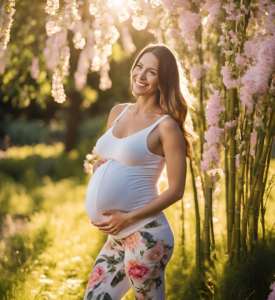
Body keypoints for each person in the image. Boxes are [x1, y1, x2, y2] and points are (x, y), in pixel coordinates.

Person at [84, 43, 196, 300]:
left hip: (146, 233)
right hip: (118, 237)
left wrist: (129, 218)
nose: (141, 76)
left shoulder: (166, 125)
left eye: (151, 72)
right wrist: (99, 168)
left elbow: (177, 190)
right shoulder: (117, 111)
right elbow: (115, 158)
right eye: (139, 67)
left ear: (164, 80)